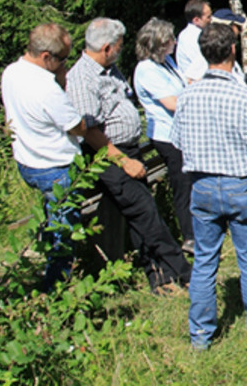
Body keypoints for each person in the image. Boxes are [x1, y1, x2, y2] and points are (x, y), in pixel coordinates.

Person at [172, 22, 247, 355]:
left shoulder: (187, 97)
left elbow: (179, 142)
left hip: (203, 186)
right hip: (241, 186)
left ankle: (201, 337)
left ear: (204, 53)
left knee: (205, 262)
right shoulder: (246, 97)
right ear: (232, 51)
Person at [66, 17, 192, 294]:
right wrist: (123, 161)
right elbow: (90, 131)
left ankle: (159, 277)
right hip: (108, 154)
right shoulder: (82, 78)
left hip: (130, 148)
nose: (123, 51)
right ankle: (186, 273)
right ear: (107, 47)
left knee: (141, 215)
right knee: (145, 211)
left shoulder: (109, 70)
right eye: (120, 47)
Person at [1, 23, 88, 290]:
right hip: (55, 166)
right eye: (63, 59)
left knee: (53, 219)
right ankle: (54, 289)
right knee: (64, 231)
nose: (66, 65)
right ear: (46, 57)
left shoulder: (11, 72)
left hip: (27, 159)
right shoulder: (46, 88)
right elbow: (77, 126)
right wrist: (61, 83)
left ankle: (48, 269)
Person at [132, 17, 194, 255]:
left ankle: (198, 229)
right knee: (182, 184)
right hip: (167, 135)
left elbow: (184, 85)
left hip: (182, 132)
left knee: (190, 181)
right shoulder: (146, 70)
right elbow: (172, 103)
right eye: (169, 40)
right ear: (157, 44)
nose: (174, 42)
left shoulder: (167, 61)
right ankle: (189, 237)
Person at [209, 8, 247, 89]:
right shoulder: (208, 54)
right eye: (238, 27)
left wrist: (246, 85)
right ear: (230, 27)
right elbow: (192, 80)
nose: (240, 31)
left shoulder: (227, 55)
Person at [177, 0, 213, 83]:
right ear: (196, 20)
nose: (211, 20)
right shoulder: (191, 38)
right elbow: (203, 66)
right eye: (208, 17)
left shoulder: (195, 34)